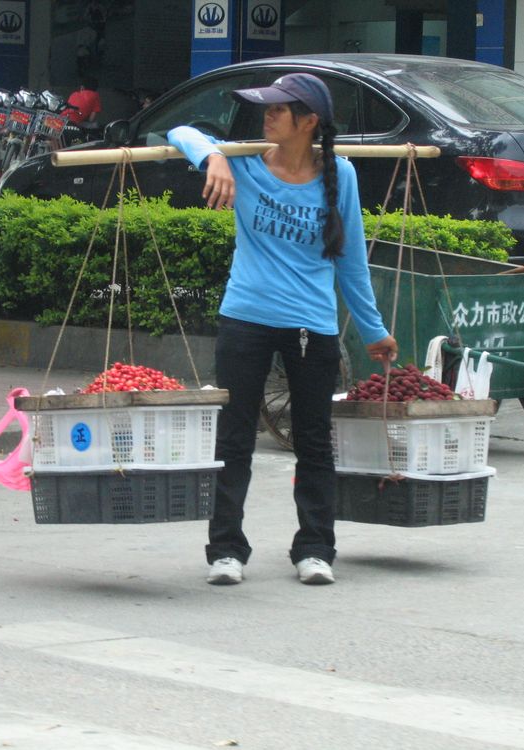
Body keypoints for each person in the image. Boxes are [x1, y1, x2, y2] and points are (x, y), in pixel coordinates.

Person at [167, 73, 398, 587]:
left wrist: (373, 331)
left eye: (278, 109)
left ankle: (315, 548)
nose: (267, 115)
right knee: (233, 441)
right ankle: (226, 550)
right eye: (264, 108)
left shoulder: (340, 174)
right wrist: (215, 158)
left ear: (309, 122)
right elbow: (179, 130)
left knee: (314, 443)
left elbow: (352, 262)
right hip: (245, 319)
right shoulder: (245, 161)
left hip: (311, 328)